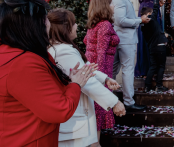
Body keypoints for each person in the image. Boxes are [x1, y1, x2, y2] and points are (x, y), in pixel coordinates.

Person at [0, 0, 94, 147]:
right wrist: (76, 84)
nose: (48, 24)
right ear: (33, 25)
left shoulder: (7, 52)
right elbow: (59, 110)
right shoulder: (23, 62)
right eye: (45, 20)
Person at [47, 8, 125, 147]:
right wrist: (114, 102)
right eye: (74, 23)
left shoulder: (62, 48)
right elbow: (86, 80)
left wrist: (105, 79)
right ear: (66, 28)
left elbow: (86, 68)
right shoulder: (64, 51)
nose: (77, 26)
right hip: (75, 117)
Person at [84, 0, 121, 144]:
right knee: (99, 105)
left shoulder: (94, 24)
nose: (114, 7)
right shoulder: (105, 24)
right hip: (101, 68)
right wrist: (101, 77)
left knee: (94, 106)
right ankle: (95, 143)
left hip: (93, 67)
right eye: (112, 4)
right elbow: (101, 52)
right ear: (105, 6)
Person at [112, 0, 150, 111]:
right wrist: (140, 20)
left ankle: (109, 99)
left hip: (119, 39)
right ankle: (128, 102)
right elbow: (121, 21)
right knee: (127, 70)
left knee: (113, 70)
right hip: (125, 40)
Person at [135, 0, 166, 78]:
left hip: (154, 14)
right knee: (146, 42)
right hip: (145, 15)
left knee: (155, 42)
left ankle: (154, 69)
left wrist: (160, 2)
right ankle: (145, 70)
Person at [141, 0, 169, 92]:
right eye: (152, 13)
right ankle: (159, 86)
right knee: (161, 66)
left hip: (152, 48)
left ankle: (147, 86)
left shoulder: (142, 26)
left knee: (153, 66)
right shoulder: (151, 20)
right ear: (148, 14)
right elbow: (156, 7)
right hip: (160, 46)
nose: (154, 14)